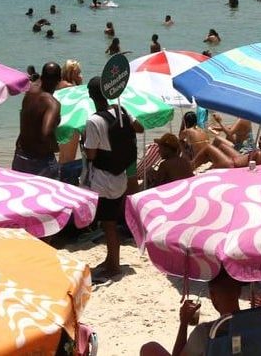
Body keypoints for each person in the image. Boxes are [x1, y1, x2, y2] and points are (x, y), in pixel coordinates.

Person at [82, 77, 143, 281]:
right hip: (121, 176)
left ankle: (114, 265)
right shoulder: (122, 110)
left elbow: (91, 154)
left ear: (91, 96)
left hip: (103, 179)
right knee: (111, 222)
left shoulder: (94, 121)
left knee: (108, 224)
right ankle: (111, 259)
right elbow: (139, 127)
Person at [139, 268, 243, 356]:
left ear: (212, 296)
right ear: (239, 292)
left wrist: (183, 324)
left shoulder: (206, 332)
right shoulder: (256, 323)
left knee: (149, 349)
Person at [12, 62, 62, 179]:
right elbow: (47, 132)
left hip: (21, 155)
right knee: (48, 195)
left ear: (42, 77)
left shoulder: (29, 92)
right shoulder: (52, 104)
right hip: (40, 161)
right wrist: (55, 147)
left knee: (20, 193)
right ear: (59, 80)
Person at [193, 129, 261, 170]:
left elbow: (250, 170)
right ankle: (212, 161)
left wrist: (253, 155)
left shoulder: (260, 155)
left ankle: (191, 166)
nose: (259, 141)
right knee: (221, 145)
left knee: (208, 147)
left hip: (233, 165)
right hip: (240, 157)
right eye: (260, 138)